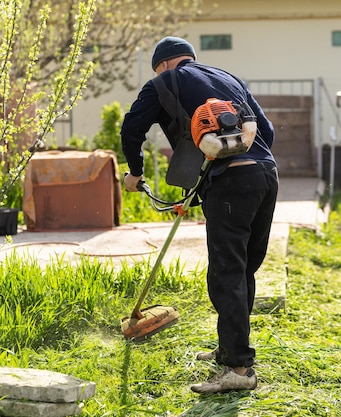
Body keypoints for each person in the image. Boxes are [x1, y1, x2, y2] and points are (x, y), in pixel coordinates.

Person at [120, 36, 279, 394]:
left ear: (162, 64)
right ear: (190, 58)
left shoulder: (162, 82)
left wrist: (135, 172)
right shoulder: (228, 78)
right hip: (266, 176)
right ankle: (232, 351)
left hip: (230, 184)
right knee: (243, 269)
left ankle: (239, 370)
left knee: (226, 273)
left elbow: (132, 128)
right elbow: (265, 132)